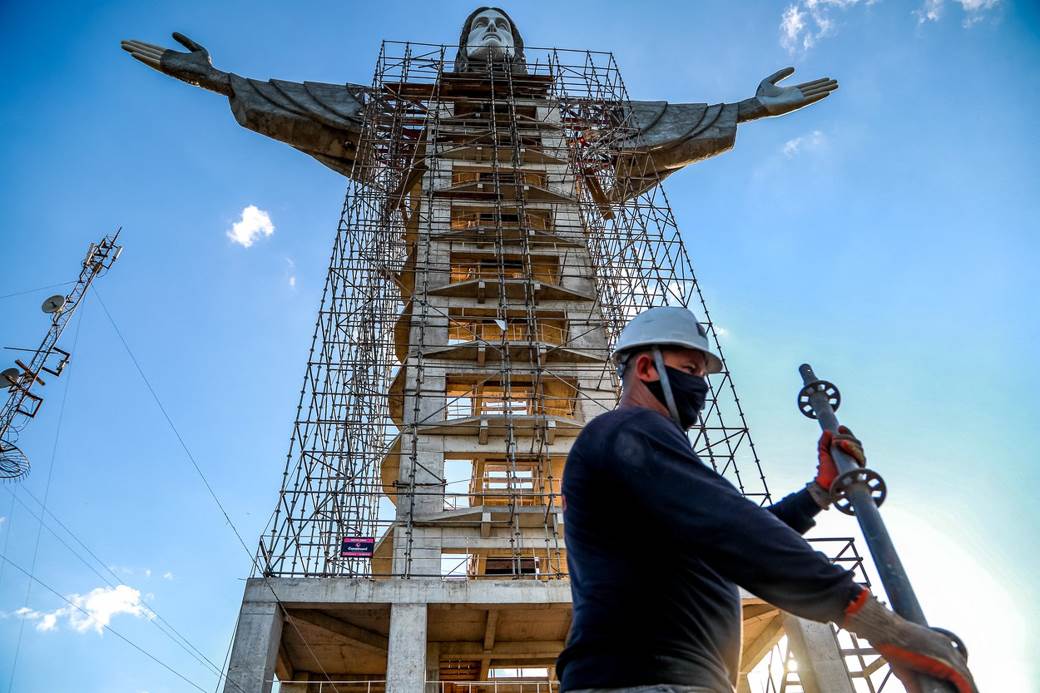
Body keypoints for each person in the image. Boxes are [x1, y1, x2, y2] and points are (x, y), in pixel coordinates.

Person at [557, 306, 976, 693]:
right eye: (689, 369)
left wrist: (817, 493)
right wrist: (882, 625)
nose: (700, 385)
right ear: (646, 367)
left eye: (703, 374)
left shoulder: (646, 464)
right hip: (642, 682)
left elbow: (728, 539)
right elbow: (731, 527)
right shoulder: (628, 428)